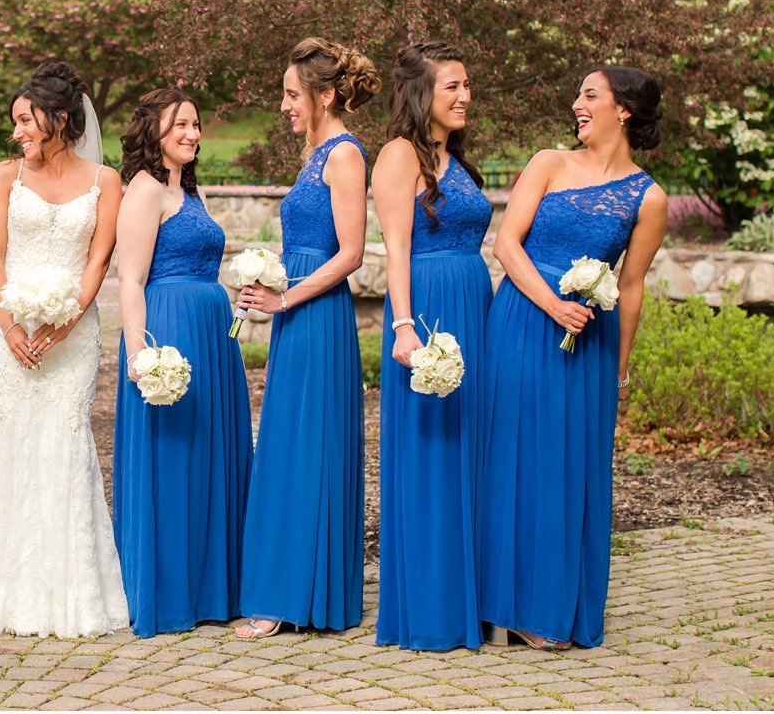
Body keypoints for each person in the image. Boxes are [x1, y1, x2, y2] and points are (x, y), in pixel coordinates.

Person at [478, 67, 667, 650]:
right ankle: (494, 603)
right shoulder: (548, 163)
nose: (576, 104)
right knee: (510, 456)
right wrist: (554, 306)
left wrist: (619, 370)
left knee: (565, 469)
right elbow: (506, 243)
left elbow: (630, 285)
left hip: (588, 342)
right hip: (521, 320)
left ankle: (547, 606)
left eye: (590, 95)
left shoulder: (649, 197)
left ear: (624, 110)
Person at [0, 61, 129, 638]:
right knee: (3, 443)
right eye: (17, 122)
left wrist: (64, 322)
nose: (19, 131)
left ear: (60, 120)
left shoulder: (107, 181)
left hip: (71, 334)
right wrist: (9, 326)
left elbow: (98, 261)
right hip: (6, 331)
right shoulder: (4, 176)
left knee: (61, 440)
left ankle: (67, 594)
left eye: (27, 120)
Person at [235, 38, 380, 640]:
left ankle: (298, 595)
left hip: (317, 317)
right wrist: (272, 271)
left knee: (307, 446)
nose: (285, 105)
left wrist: (286, 295)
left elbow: (349, 253)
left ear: (325, 96)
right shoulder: (313, 151)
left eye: (293, 95)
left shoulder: (345, 154)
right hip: (296, 311)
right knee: (289, 444)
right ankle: (291, 585)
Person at [112, 89, 252, 638]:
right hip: (167, 330)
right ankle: (168, 594)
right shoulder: (145, 189)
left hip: (212, 335)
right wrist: (139, 352)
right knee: (173, 461)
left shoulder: (185, 190)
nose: (193, 134)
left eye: (196, 124)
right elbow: (130, 279)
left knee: (212, 458)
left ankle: (213, 587)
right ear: (155, 130)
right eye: (181, 125)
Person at [371, 42, 490, 651]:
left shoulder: (454, 159)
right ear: (423, 95)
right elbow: (395, 248)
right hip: (429, 313)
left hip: (475, 306)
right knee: (433, 453)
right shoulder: (398, 155)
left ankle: (474, 591)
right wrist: (404, 327)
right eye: (453, 87)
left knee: (473, 452)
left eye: (467, 85)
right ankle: (432, 605)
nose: (465, 95)